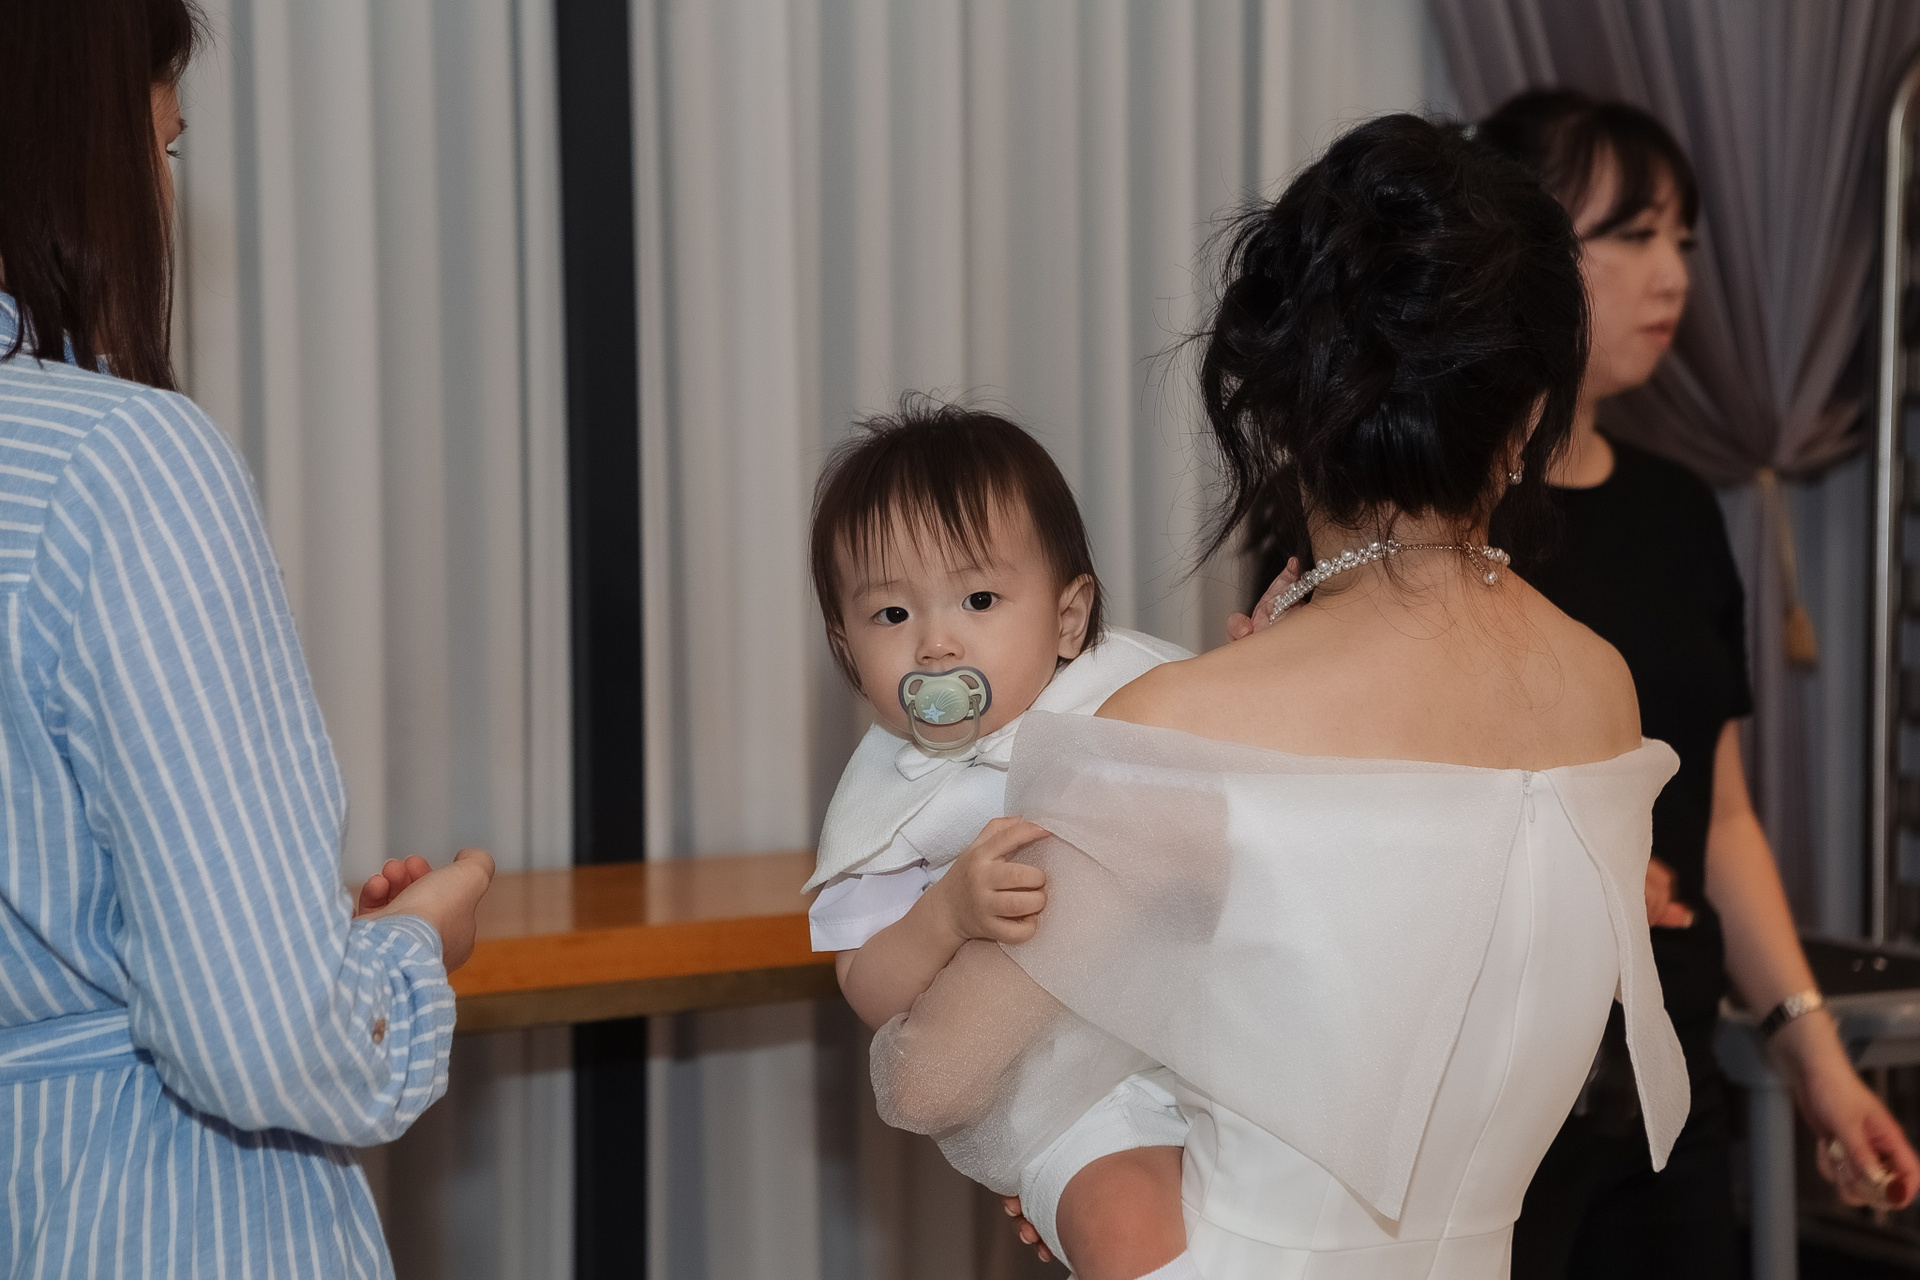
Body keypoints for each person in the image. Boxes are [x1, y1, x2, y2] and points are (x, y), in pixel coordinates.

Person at [876, 112, 1688, 1278]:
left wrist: (1070, 1165)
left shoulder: (1183, 725)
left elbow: (929, 1074)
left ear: (1284, 410)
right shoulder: (1604, 686)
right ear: (1525, 418)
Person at [0, 2, 494, 1275]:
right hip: (149, 1219)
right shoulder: (118, 461)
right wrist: (410, 948)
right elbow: (264, 1036)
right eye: (162, 145)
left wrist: (302, 931)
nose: (164, 192)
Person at [1466, 90, 1920, 1278]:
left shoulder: (1677, 509)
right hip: (1479, 1107)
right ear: (1511, 247)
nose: (1673, 274)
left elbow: (1719, 821)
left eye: (1685, 240)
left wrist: (1818, 1062)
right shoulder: (1421, 520)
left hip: (1668, 1090)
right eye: (1631, 234)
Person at [806, 401, 1202, 1280]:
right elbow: (867, 989)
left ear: (1069, 618)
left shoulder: (1132, 691)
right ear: (846, 647)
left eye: (979, 600)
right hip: (1076, 1091)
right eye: (890, 614)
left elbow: (1248, 783)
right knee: (1127, 1232)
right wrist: (943, 917)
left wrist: (1264, 654)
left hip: (1213, 1037)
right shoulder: (888, 805)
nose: (935, 643)